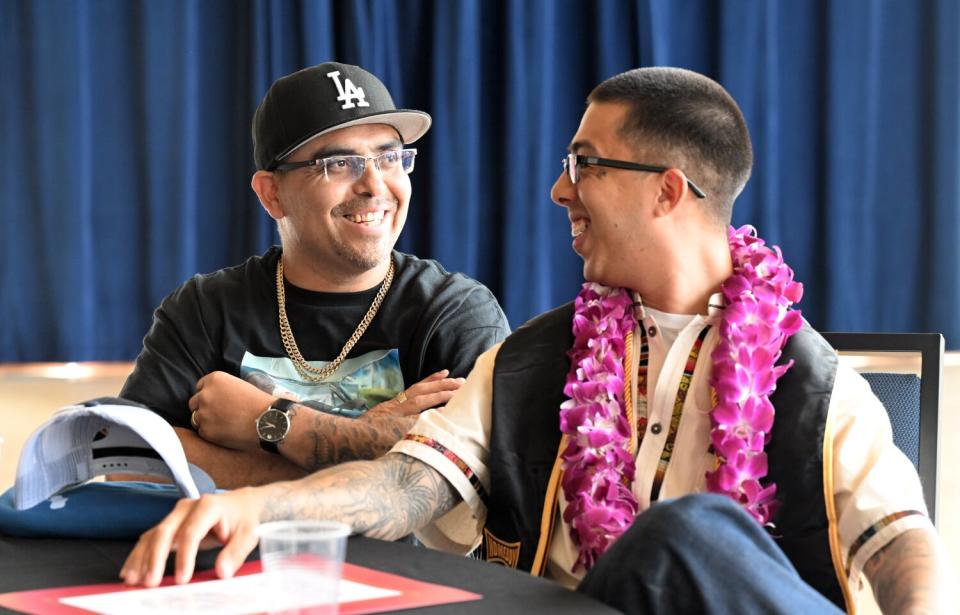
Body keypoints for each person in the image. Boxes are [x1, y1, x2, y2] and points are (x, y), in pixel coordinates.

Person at [120, 67, 954, 613]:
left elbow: (897, 538)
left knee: (685, 538)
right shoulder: (531, 362)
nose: (560, 189)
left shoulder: (810, 379)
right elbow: (405, 487)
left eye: (585, 163)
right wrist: (254, 507)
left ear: (667, 191)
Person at [118, 62, 509, 489]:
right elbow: (130, 457)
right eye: (339, 163)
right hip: (236, 557)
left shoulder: (454, 312)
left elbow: (471, 466)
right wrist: (375, 437)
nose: (375, 186)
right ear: (272, 194)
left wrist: (270, 422)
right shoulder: (204, 309)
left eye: (389, 158)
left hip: (395, 560)